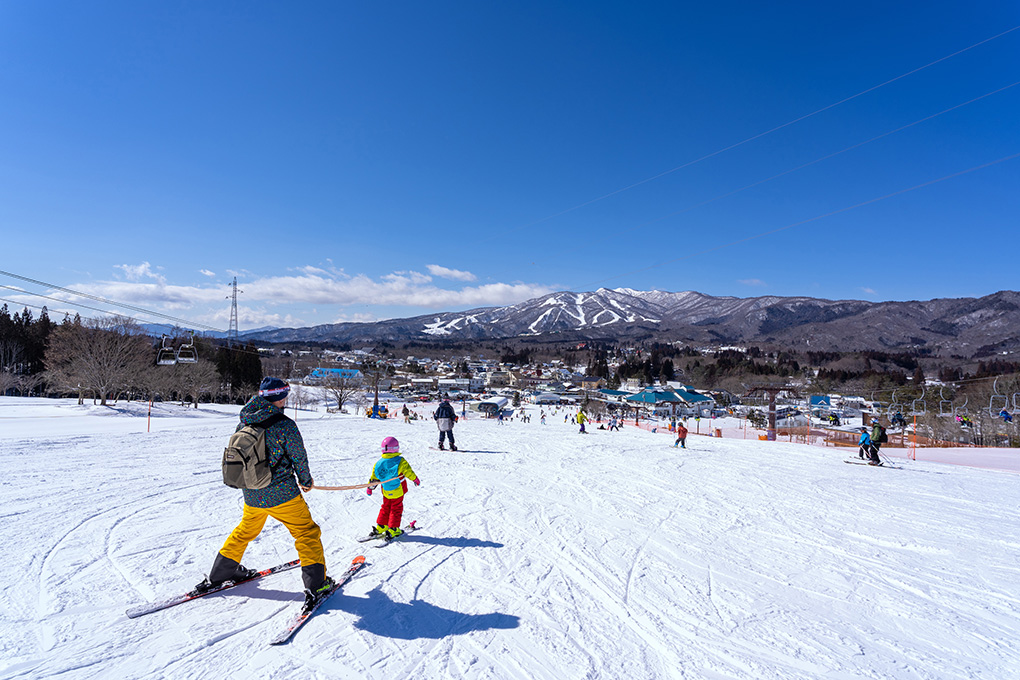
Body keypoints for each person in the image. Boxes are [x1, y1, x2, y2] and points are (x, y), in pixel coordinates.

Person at [199, 377, 331, 606]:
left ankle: (221, 573)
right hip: (283, 494)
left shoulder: (244, 422)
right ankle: (316, 585)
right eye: (285, 395)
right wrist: (306, 480)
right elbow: (299, 456)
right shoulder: (284, 424)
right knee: (306, 533)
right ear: (280, 397)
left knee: (244, 532)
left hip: (252, 493)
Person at [366, 436, 420, 539]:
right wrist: (415, 479)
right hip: (398, 490)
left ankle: (381, 526)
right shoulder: (400, 461)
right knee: (396, 508)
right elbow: (408, 471)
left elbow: (374, 478)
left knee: (385, 507)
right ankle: (393, 529)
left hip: (386, 491)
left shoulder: (378, 463)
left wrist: (370, 488)